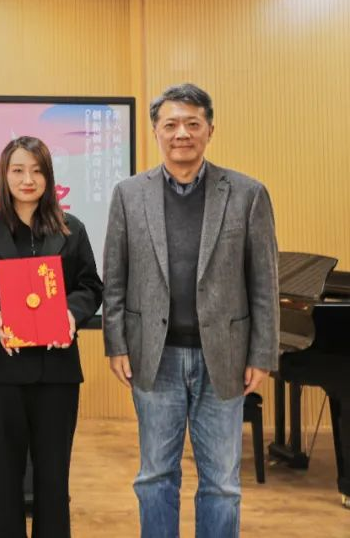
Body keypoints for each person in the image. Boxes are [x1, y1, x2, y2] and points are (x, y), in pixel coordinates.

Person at [102, 83, 279, 538]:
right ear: (156, 131)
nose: (182, 133)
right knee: (154, 476)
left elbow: (264, 282)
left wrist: (262, 354)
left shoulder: (247, 194)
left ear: (209, 130)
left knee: (222, 483)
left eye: (192, 123)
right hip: (154, 356)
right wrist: (116, 344)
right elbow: (115, 277)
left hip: (224, 358)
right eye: (171, 124)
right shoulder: (128, 194)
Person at [0, 136, 103, 537]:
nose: (28, 179)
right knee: (4, 475)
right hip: (2, 372)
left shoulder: (72, 229)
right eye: (18, 170)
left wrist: (71, 313)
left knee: (54, 476)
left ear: (48, 177)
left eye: (37, 171)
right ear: (4, 175)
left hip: (57, 372)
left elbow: (91, 286)